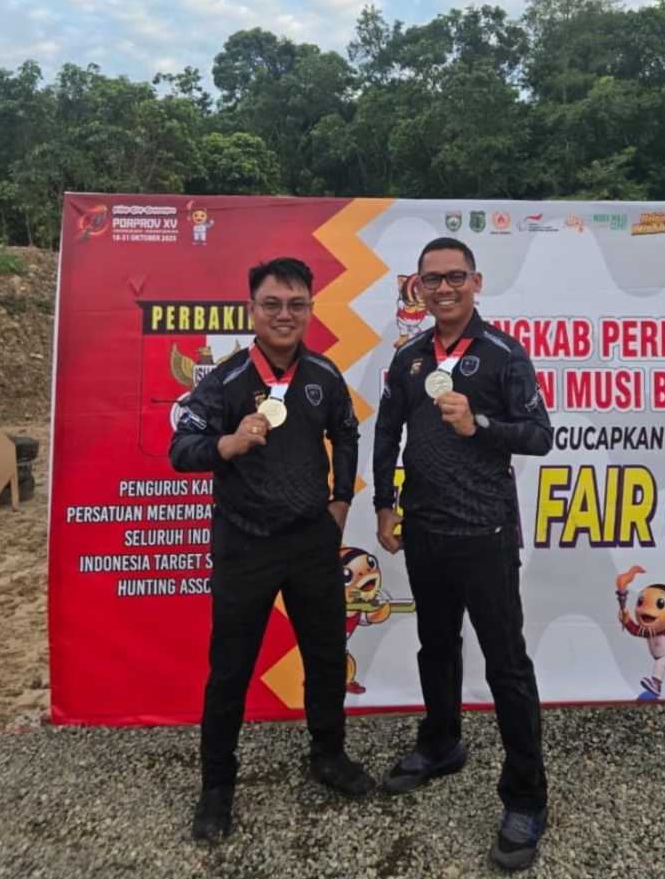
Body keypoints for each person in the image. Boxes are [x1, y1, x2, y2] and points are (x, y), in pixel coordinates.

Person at [170, 256, 373, 844]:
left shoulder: (323, 374)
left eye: (296, 305)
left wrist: (340, 501)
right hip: (245, 542)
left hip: (310, 539)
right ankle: (217, 787)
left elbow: (347, 433)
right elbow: (180, 449)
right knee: (231, 669)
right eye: (272, 304)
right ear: (252, 310)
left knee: (326, 658)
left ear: (310, 309)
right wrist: (227, 443)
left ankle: (328, 755)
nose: (285, 315)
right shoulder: (227, 379)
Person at [374, 237, 553, 872]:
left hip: (486, 532)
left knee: (507, 665)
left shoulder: (504, 354)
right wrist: (384, 504)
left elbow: (540, 436)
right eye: (432, 279)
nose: (444, 288)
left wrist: (479, 425)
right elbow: (387, 431)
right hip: (425, 529)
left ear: (476, 282)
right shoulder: (410, 358)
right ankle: (442, 743)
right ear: (418, 288)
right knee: (436, 646)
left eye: (455, 277)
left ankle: (526, 797)